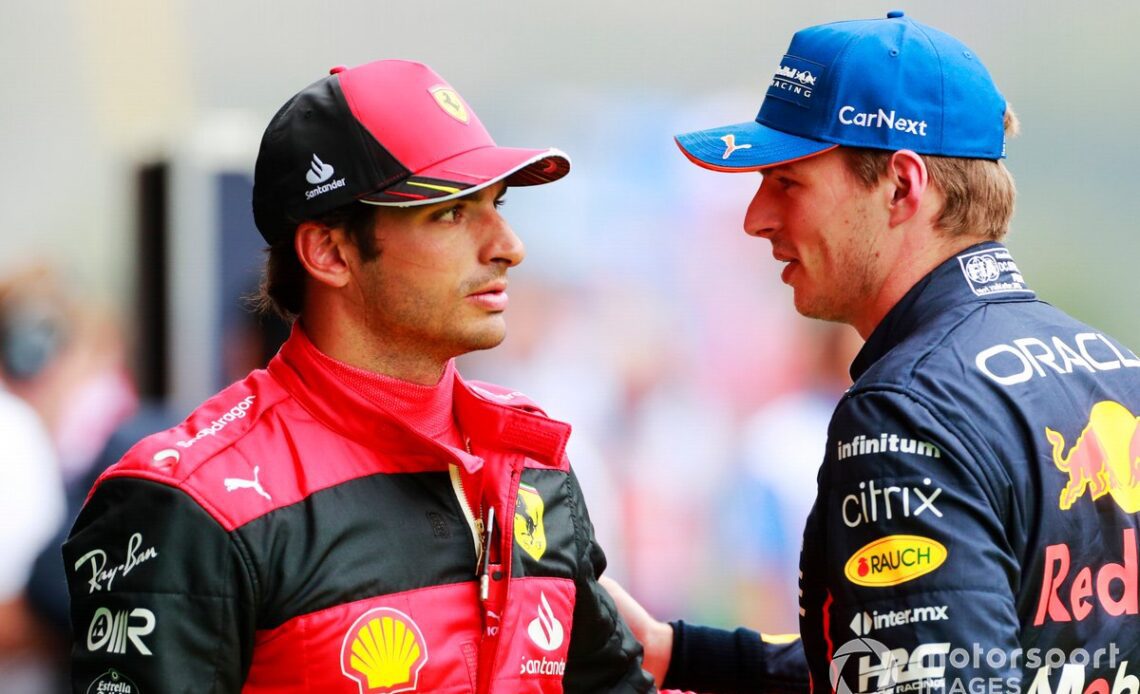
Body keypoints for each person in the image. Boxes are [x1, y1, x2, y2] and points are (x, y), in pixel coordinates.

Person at [63, 59, 654, 693]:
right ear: (330, 252)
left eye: (496, 204)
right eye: (451, 213)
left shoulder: (530, 462)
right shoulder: (194, 502)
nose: (508, 244)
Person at [603, 11, 1140, 694]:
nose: (755, 217)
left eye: (788, 181)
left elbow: (937, 678)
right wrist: (677, 653)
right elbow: (951, 652)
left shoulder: (907, 410)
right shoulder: (1116, 369)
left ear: (902, 187)